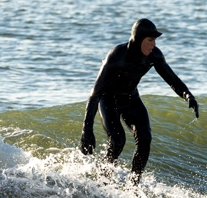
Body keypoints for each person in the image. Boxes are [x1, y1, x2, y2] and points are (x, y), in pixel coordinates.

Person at [80, 18, 199, 184]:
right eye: (150, 40)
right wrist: (87, 129)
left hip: (131, 98)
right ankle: (102, 183)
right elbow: (95, 93)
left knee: (145, 137)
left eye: (155, 40)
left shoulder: (153, 55)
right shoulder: (116, 56)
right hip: (109, 100)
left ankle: (133, 186)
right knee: (118, 141)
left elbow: (171, 78)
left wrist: (188, 94)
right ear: (138, 39)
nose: (154, 44)